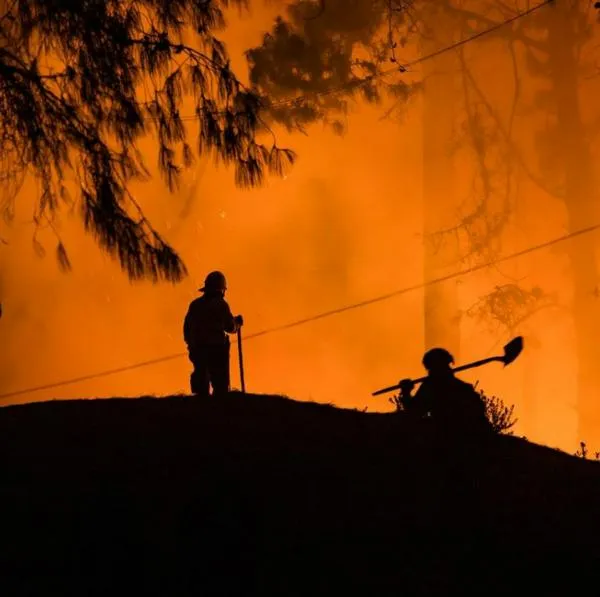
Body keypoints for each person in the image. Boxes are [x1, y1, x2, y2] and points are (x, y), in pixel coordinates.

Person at [399, 348, 490, 432]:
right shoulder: (464, 388)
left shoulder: (431, 387)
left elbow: (415, 411)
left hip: (450, 437)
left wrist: (406, 392)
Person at [183, 271, 243, 397]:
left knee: (200, 380)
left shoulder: (195, 305)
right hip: (216, 350)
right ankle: (218, 410)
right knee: (220, 384)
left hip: (198, 349)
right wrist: (237, 323)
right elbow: (230, 326)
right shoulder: (220, 305)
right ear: (221, 289)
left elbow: (186, 329)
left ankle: (201, 407)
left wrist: (192, 345)